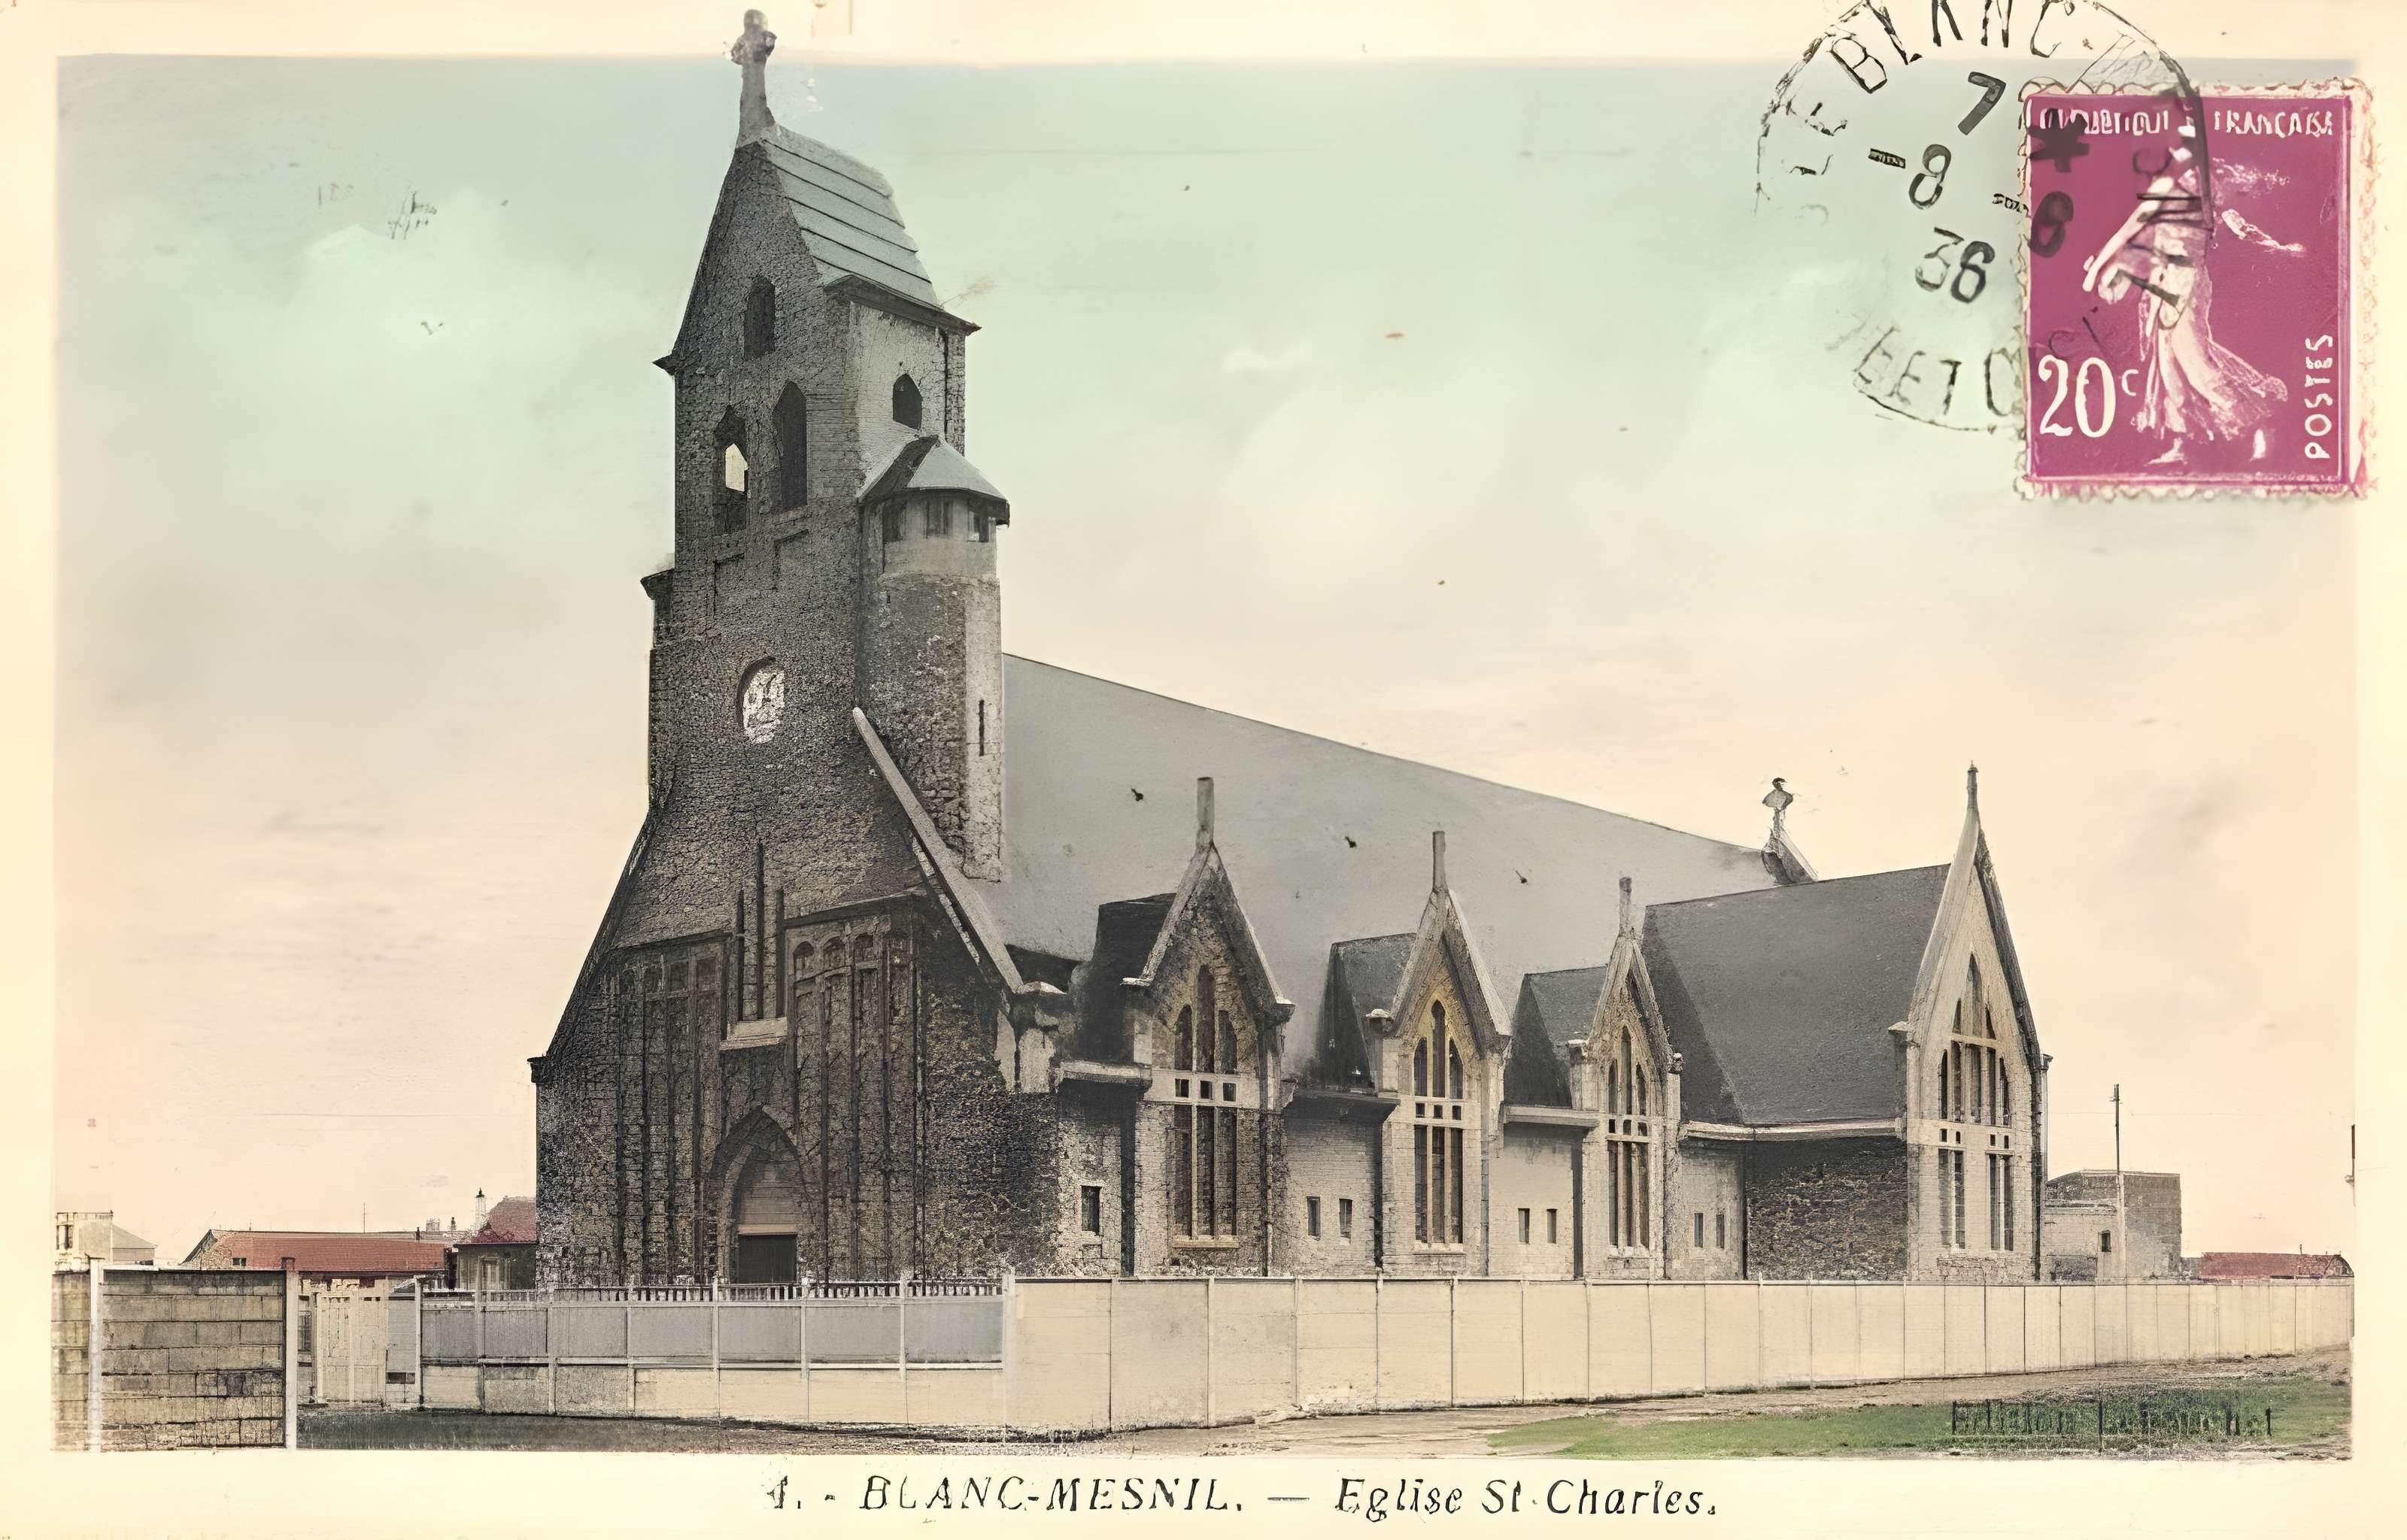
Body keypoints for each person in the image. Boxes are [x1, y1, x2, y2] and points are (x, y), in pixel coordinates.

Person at [2081, 137, 2303, 465]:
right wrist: (2099, 267)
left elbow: (2236, 224)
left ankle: (2256, 424)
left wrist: (2278, 246)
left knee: (2194, 359)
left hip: (2187, 283)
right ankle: (2183, 441)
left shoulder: (2206, 191)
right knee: (2167, 364)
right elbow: (2131, 231)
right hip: (2163, 284)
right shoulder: (2170, 188)